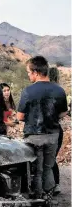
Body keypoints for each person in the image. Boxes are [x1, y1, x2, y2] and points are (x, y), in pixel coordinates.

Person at [17, 56, 68, 198]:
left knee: (36, 171)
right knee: (48, 168)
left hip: (33, 136)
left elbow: (20, 117)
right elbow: (63, 112)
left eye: (28, 72)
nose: (28, 75)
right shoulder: (59, 90)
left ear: (35, 72)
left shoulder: (28, 91)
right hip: (52, 135)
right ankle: (48, 200)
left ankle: (37, 200)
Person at [48, 67, 63, 195]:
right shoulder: (59, 91)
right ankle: (55, 184)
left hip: (44, 128)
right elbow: (63, 112)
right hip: (56, 128)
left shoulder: (43, 91)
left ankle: (50, 185)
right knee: (52, 158)